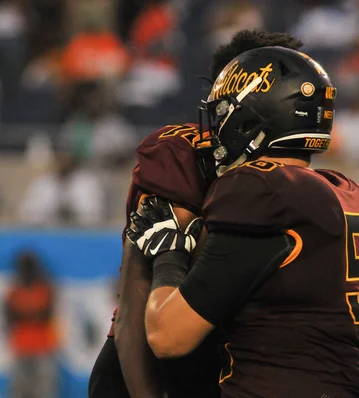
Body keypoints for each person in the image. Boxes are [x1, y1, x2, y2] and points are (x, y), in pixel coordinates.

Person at [127, 46, 359, 398]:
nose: (218, 129)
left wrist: (169, 254)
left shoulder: (260, 189)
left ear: (250, 119)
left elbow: (168, 335)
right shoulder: (353, 196)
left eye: (225, 116)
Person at [88, 30, 307, 398]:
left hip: (234, 362)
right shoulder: (183, 154)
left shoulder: (287, 173)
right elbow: (134, 304)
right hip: (161, 365)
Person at [4, 251, 58, 398]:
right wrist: (30, 313)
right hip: (21, 347)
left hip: (42, 347)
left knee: (43, 391)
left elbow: (46, 315)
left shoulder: (45, 289)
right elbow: (9, 317)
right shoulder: (14, 291)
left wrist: (24, 313)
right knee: (19, 391)